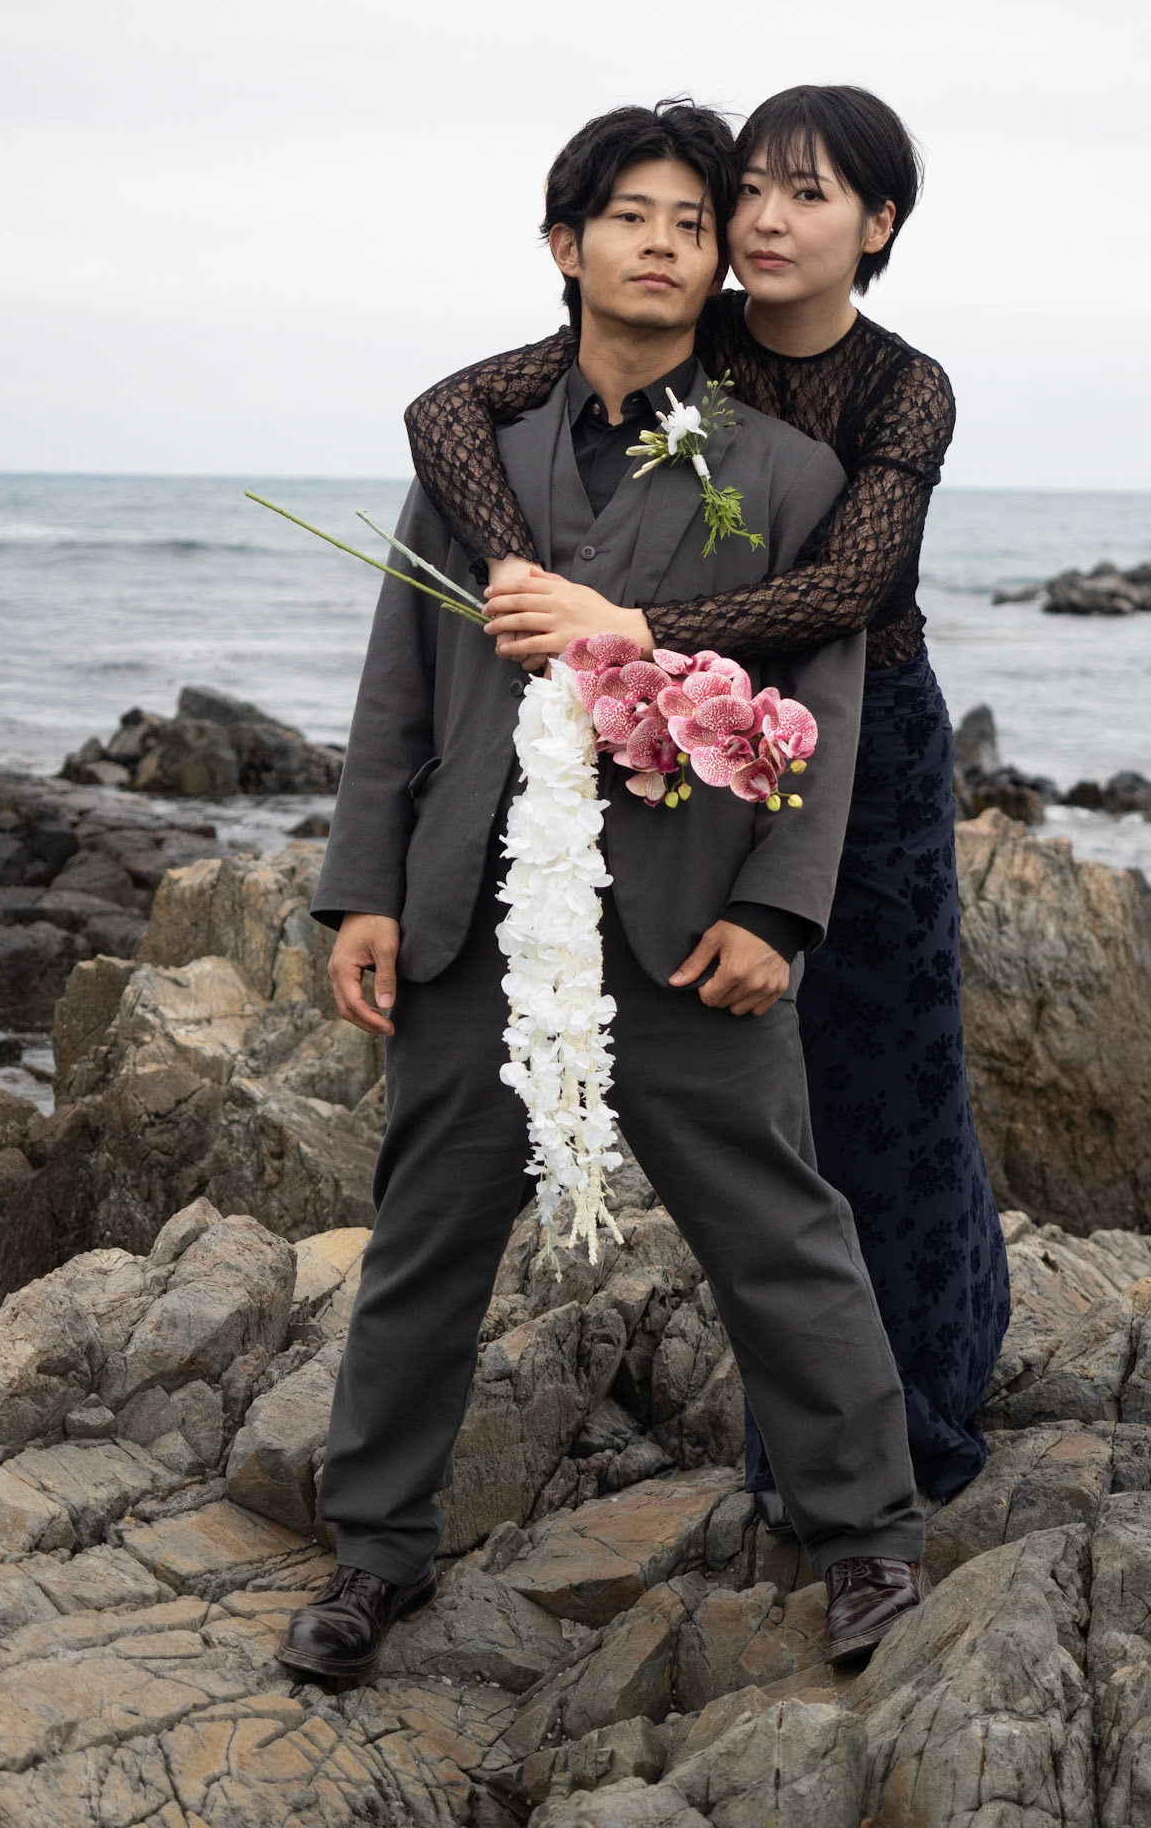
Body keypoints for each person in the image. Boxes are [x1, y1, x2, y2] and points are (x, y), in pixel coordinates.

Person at [277, 99, 927, 1683]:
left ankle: (866, 1536)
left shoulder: (788, 473)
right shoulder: (475, 469)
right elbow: (399, 689)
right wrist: (364, 891)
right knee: (426, 1239)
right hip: (471, 916)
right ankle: (373, 1555)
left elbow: (824, 709)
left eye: (693, 224)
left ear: (719, 268)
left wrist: (778, 914)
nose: (665, 244)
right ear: (566, 246)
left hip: (691, 923)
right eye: (631, 216)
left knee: (780, 1231)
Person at [402, 85, 1009, 1511]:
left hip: (864, 743)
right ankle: (796, 1443)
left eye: (811, 193)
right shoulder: (698, 332)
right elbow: (446, 413)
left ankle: (922, 1416)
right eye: (754, 190)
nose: (766, 220)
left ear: (880, 224)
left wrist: (630, 623)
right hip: (677, 742)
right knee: (760, 1103)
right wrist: (520, 575)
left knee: (891, 1079)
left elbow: (851, 589)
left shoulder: (906, 387)